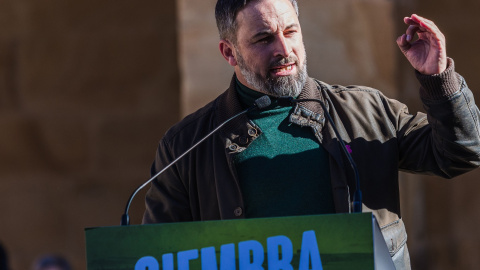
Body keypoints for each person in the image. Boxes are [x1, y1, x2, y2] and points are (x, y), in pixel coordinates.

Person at [142, 0, 480, 269]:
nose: (283, 48)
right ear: (229, 52)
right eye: (264, 38)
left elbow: (461, 153)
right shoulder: (187, 144)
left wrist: (439, 81)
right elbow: (157, 252)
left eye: (290, 31)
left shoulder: (367, 110)